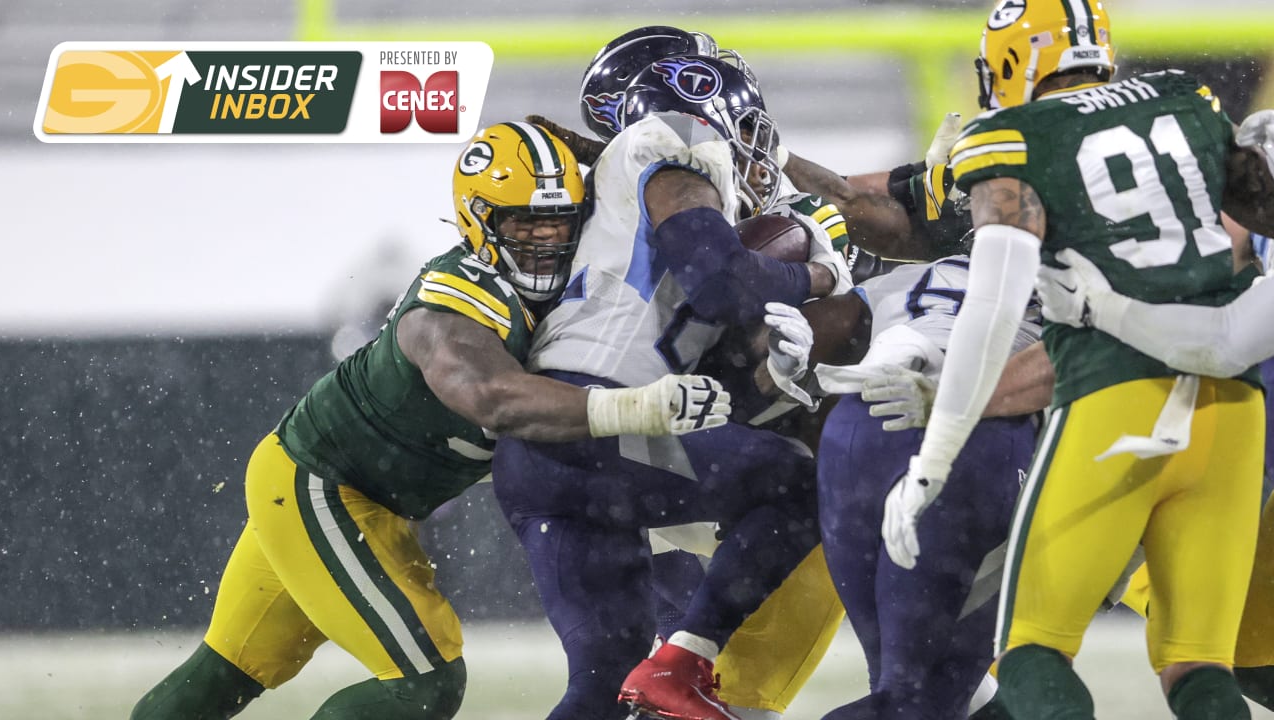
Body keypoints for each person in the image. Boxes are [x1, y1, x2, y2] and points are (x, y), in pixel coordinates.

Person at [129, 121, 731, 720]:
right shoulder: (453, 300)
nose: (547, 238)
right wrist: (640, 406)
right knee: (422, 684)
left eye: (560, 221)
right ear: (480, 220)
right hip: (323, 486)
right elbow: (495, 398)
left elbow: (626, 178)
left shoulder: (567, 286)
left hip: (365, 497)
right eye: (526, 222)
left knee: (227, 671)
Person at [882, 0, 1274, 717]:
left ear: (1009, 60)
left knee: (1033, 650)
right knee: (1200, 667)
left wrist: (931, 461)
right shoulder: (1188, 99)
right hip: (1238, 408)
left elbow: (991, 312)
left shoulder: (1009, 138)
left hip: (1114, 398)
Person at [491, 54, 852, 720]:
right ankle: (686, 663)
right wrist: (818, 280)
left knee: (602, 686)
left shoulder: (611, 198)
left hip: (537, 456)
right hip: (602, 429)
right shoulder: (678, 141)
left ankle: (671, 663)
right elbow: (720, 284)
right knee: (796, 484)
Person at [762, 248, 1047, 719]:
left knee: (904, 687)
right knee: (921, 700)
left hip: (859, 427)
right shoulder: (1077, 270)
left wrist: (781, 360)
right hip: (977, 435)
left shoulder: (911, 276)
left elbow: (804, 340)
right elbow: (1075, 365)